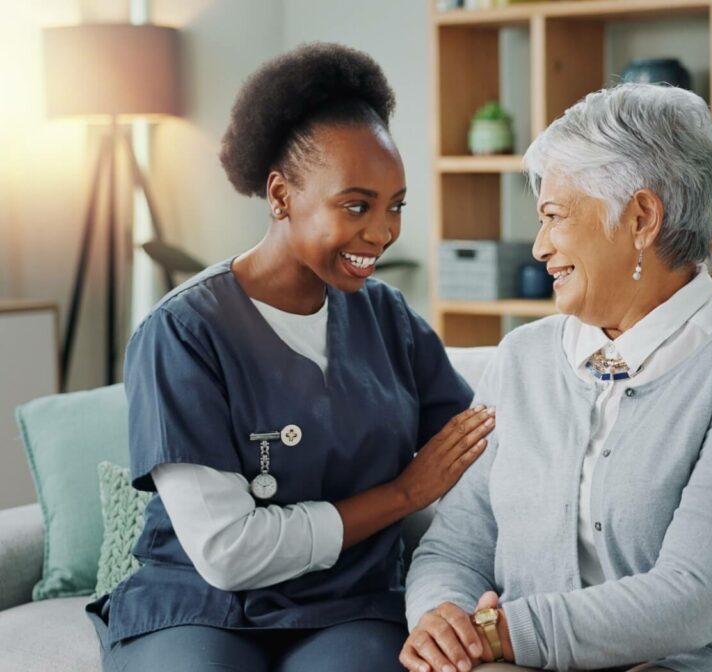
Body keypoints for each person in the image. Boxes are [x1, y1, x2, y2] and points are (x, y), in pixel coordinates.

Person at [86, 43, 494, 672]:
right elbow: (227, 553)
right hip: (201, 601)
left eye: (395, 206)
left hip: (350, 604)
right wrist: (403, 493)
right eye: (357, 205)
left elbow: (482, 458)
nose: (383, 232)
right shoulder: (184, 333)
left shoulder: (387, 320)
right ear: (280, 195)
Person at [403, 83, 712, 672]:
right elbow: (455, 546)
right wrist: (442, 621)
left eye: (554, 217)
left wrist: (503, 633)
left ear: (641, 218)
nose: (539, 247)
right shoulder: (522, 359)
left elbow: (691, 598)